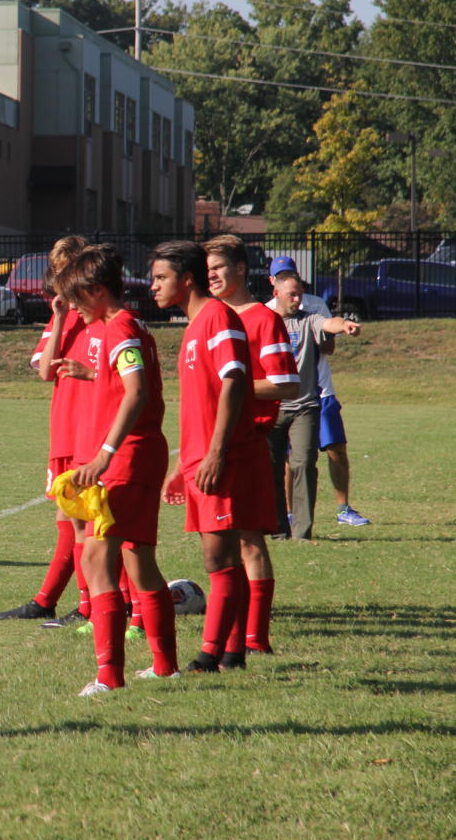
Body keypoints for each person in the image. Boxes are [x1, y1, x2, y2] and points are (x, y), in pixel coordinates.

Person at [57, 243, 175, 695]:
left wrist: (105, 452)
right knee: (138, 559)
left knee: (95, 557)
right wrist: (92, 377)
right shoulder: (131, 326)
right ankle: (165, 665)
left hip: (125, 458)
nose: (72, 308)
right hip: (144, 452)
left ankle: (109, 677)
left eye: (75, 298)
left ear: (97, 290)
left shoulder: (119, 327)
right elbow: (128, 380)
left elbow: (137, 392)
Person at [151, 240, 254, 673]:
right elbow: (201, 403)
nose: (152, 286)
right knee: (222, 558)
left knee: (219, 559)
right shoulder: (193, 326)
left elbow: (234, 382)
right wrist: (181, 465)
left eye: (160, 277)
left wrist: (215, 453)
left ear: (186, 279)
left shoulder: (217, 317)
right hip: (198, 460)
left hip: (222, 460)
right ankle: (232, 653)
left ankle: (209, 656)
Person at [203, 234, 298, 660]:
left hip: (248, 443)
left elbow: (287, 382)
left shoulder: (263, 318)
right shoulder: (206, 317)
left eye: (219, 268)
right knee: (218, 547)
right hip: (211, 444)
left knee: (250, 541)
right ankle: (231, 638)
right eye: (206, 270)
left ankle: (256, 637)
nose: (212, 276)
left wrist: (233, 388)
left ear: (241, 269)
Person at [0, 236, 92, 626]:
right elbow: (45, 371)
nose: (60, 279)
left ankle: (90, 605)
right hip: (64, 432)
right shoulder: (60, 316)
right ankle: (48, 600)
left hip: (90, 433)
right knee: (67, 521)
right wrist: (62, 318)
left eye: (68, 270)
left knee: (86, 523)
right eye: (58, 271)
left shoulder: (103, 319)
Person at [267, 256, 370, 527]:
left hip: (320, 391)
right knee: (291, 459)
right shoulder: (265, 313)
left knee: (336, 447)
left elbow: (328, 339)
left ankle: (343, 508)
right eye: (281, 276)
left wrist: (333, 328)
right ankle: (289, 513)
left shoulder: (313, 306)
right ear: (273, 284)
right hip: (284, 397)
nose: (296, 296)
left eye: (291, 275)